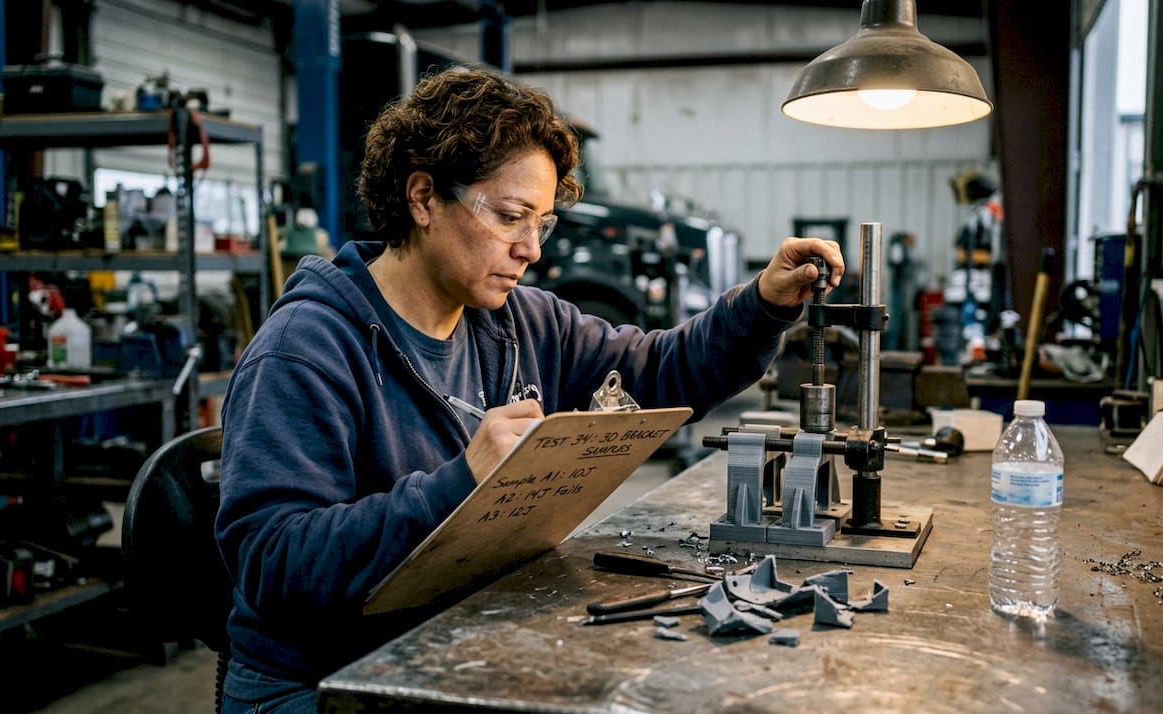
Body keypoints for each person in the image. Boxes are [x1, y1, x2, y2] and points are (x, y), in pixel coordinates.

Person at [215, 65, 844, 713]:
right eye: (512, 217)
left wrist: (762, 306)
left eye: (542, 222)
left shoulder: (519, 320)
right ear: (424, 198)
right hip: (321, 683)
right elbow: (273, 565)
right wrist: (462, 485)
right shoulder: (308, 348)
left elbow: (656, 375)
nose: (531, 249)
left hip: (450, 645)